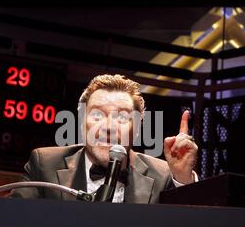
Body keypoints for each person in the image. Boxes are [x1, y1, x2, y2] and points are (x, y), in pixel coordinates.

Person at [11, 74, 198, 203]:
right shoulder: (45, 164)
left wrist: (182, 178)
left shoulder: (164, 175)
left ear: (138, 129)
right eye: (97, 115)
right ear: (81, 123)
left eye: (122, 117)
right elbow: (11, 221)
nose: (108, 127)